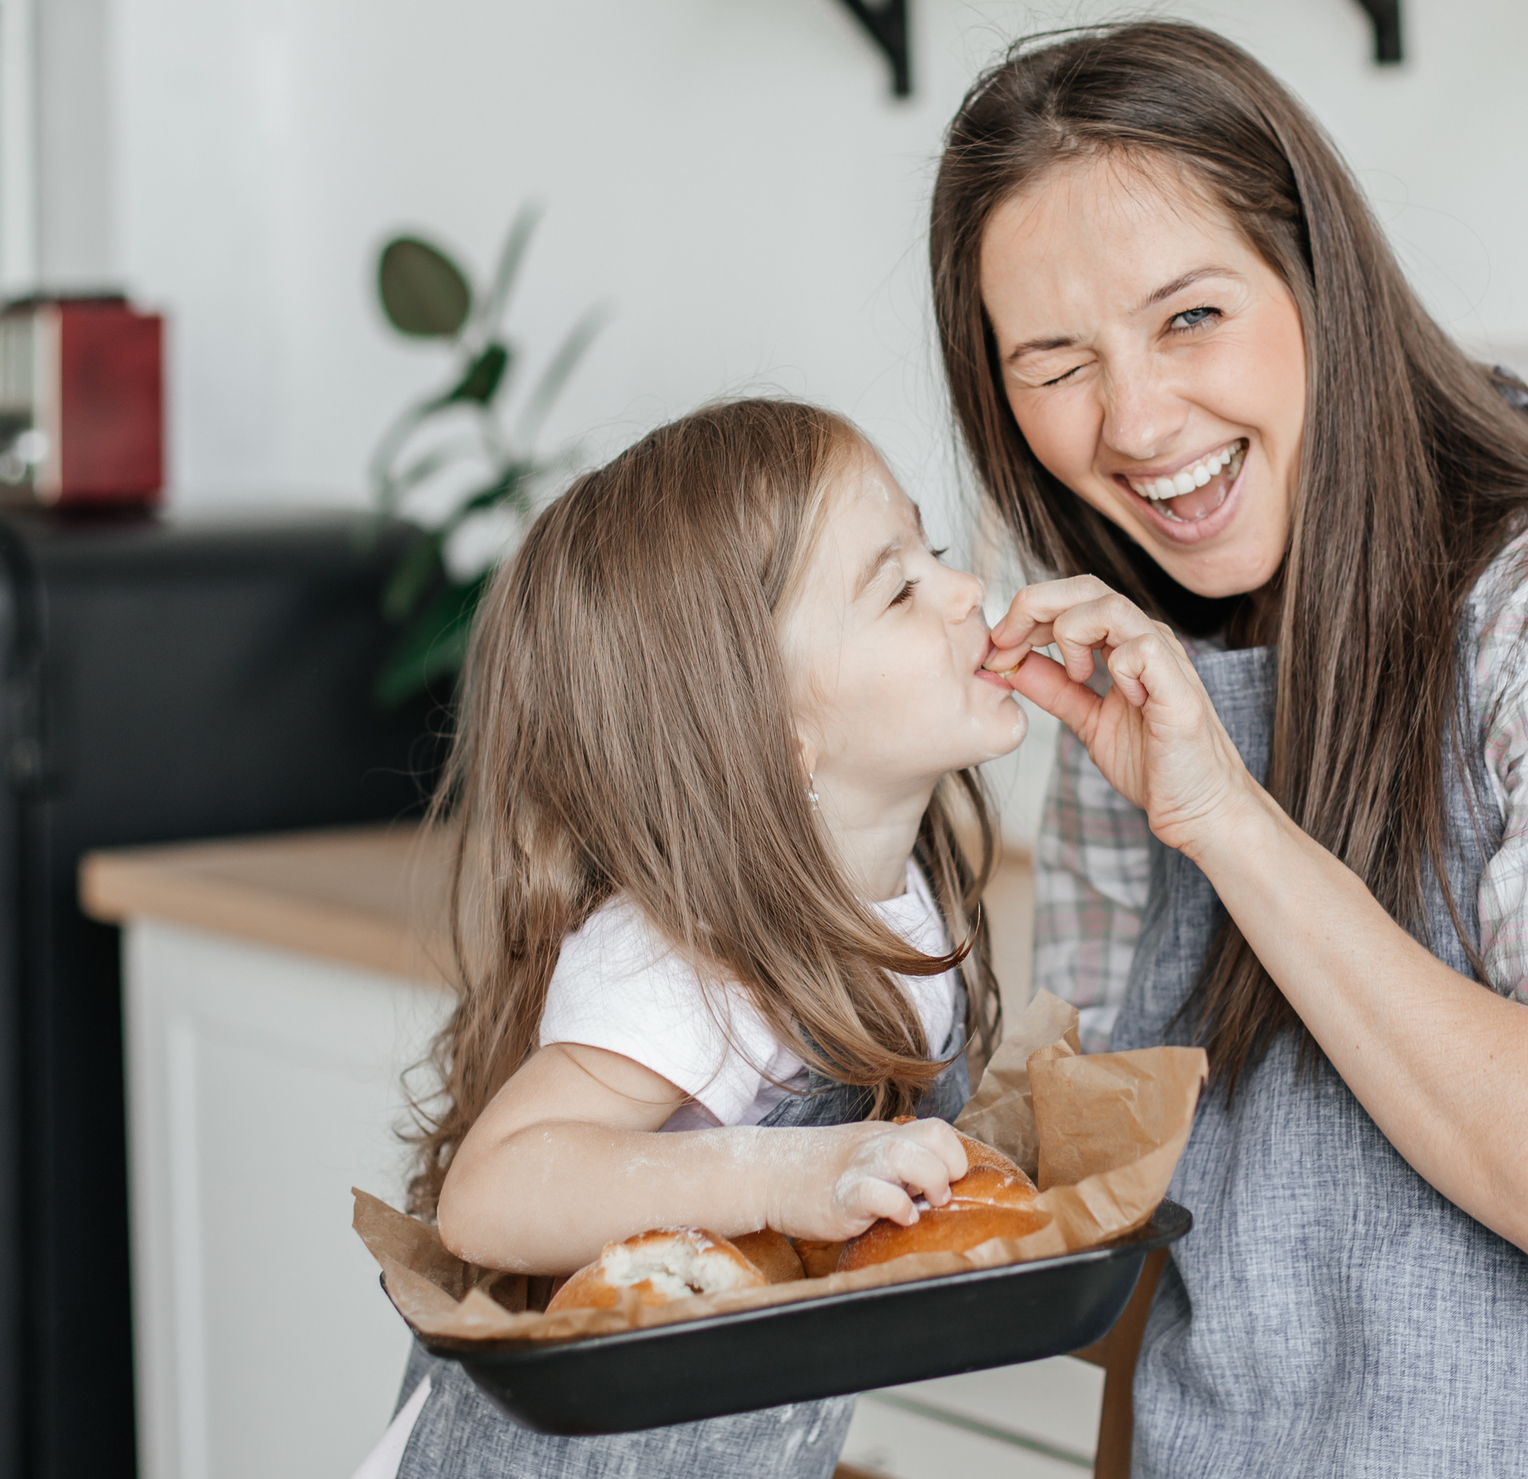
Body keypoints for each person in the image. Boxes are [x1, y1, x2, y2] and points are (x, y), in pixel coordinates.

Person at [930, 22, 1528, 1477]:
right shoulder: (1148, 678)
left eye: (1189, 317)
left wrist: (1224, 817)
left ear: (1320, 283)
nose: (1137, 418)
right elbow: (1139, 1258)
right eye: (1055, 361)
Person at [355, 398, 1026, 1479]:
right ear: (771, 732)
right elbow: (493, 1191)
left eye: (933, 552)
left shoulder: (897, 897)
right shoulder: (679, 956)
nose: (966, 593)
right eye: (900, 588)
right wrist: (790, 1172)